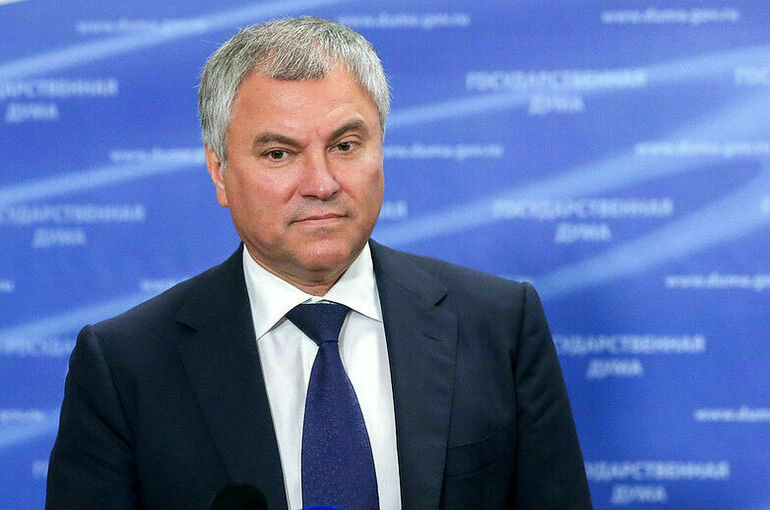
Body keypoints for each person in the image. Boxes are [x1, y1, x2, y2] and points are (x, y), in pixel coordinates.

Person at [46, 16, 592, 509]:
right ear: (219, 172)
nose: (321, 184)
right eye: (279, 154)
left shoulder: (499, 324)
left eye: (345, 145)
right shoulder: (126, 366)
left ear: (381, 149)